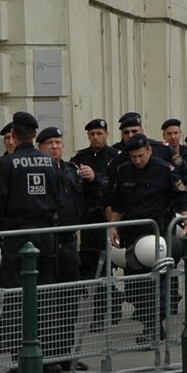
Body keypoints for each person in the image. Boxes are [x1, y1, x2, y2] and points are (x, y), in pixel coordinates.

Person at [0, 111, 64, 373]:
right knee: (45, 297)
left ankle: (21, 361)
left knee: (16, 297)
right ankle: (46, 360)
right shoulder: (50, 162)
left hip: (17, 237)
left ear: (16, 133)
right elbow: (58, 196)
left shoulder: (7, 164)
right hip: (46, 236)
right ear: (34, 134)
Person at [106, 133, 187, 344]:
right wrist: (113, 226)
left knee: (158, 279)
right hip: (132, 233)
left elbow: (182, 198)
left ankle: (153, 326)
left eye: (141, 156)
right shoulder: (123, 170)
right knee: (136, 284)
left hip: (158, 233)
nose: (137, 160)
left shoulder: (164, 169)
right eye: (133, 156)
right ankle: (151, 323)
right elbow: (116, 203)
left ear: (149, 151)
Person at [40, 126, 92, 373]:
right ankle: (48, 356)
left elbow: (90, 201)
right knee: (48, 301)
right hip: (46, 242)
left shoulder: (73, 171)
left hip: (69, 241)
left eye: (58, 142)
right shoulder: (37, 171)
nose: (55, 147)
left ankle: (65, 355)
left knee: (69, 300)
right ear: (40, 146)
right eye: (49, 142)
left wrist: (93, 179)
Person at [72, 118, 120, 331]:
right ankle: (111, 300)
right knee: (91, 265)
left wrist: (96, 177)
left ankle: (105, 309)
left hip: (107, 217)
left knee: (106, 263)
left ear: (106, 134)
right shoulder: (80, 158)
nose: (95, 137)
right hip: (87, 218)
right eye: (92, 134)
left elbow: (115, 185)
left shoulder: (115, 158)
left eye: (99, 133)